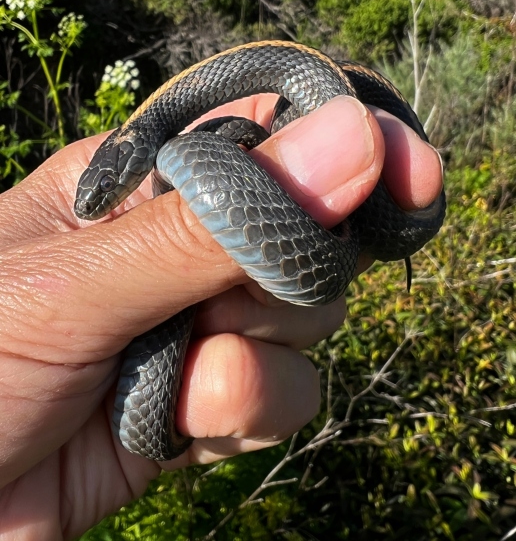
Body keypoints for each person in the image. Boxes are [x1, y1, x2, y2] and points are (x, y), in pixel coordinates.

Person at [0, 94, 442, 539]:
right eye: (102, 189)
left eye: (109, 188)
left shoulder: (174, 139)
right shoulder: (169, 139)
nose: (95, 205)